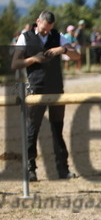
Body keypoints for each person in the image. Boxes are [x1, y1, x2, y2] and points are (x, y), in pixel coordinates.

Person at [11, 10, 79, 182]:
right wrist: (33, 59)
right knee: (32, 130)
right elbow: (15, 63)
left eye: (49, 29)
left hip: (56, 89)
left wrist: (63, 49)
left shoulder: (58, 36)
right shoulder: (25, 37)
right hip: (36, 89)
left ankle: (62, 169)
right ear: (37, 22)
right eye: (43, 28)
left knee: (58, 129)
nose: (46, 32)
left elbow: (77, 55)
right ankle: (30, 169)